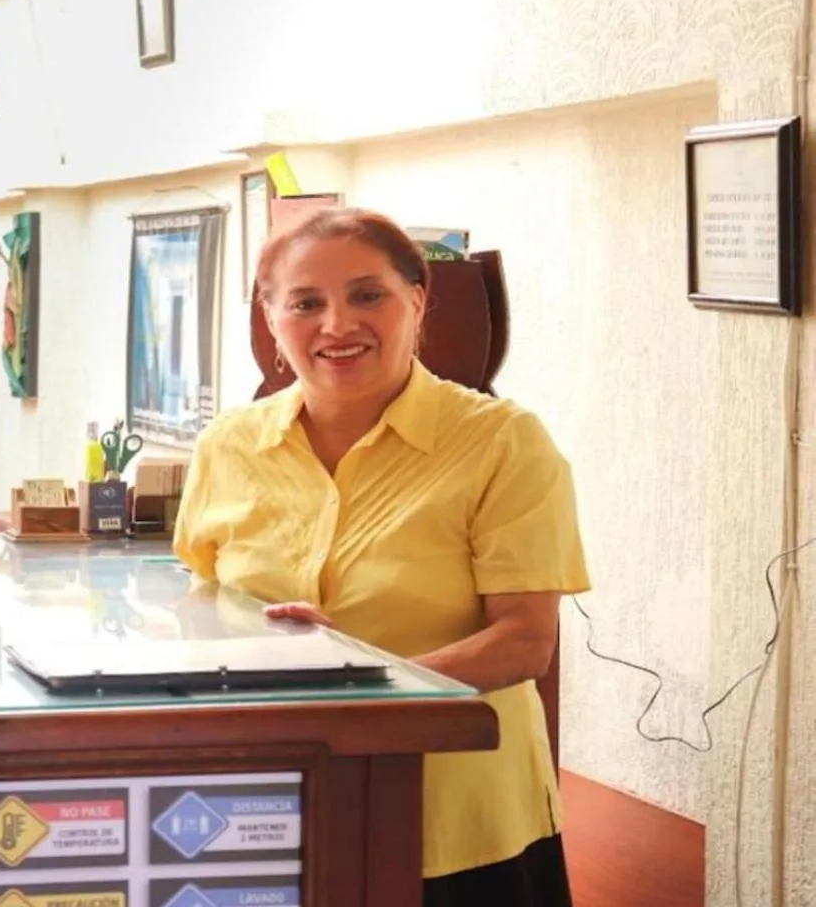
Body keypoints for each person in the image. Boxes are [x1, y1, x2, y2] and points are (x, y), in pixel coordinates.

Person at [171, 207, 590, 907]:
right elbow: (204, 606)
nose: (337, 325)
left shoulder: (502, 441)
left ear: (417, 303)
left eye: (367, 295)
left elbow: (524, 641)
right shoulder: (228, 444)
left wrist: (356, 682)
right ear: (271, 319)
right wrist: (261, 644)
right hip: (269, 810)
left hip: (456, 819)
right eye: (305, 303)